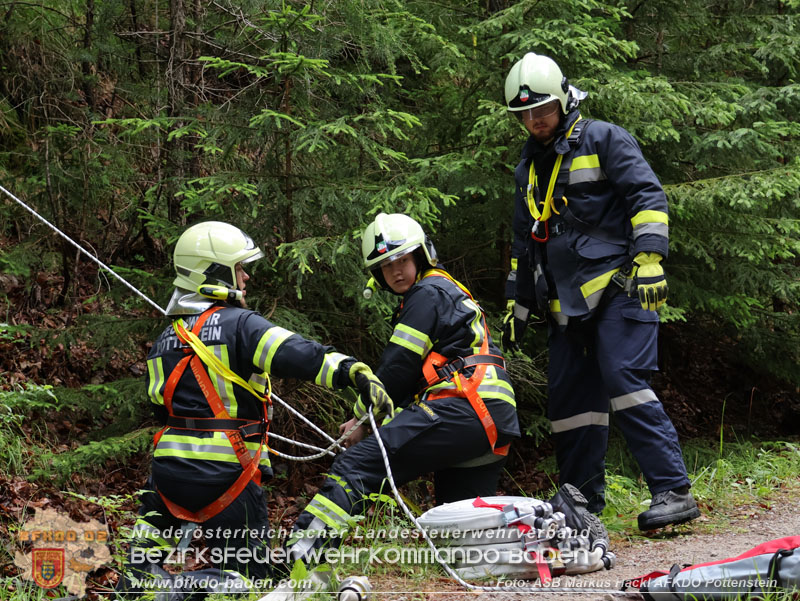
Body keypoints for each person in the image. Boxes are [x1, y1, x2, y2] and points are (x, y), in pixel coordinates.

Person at [121, 221, 392, 592]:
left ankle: (145, 586)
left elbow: (159, 410)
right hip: (228, 476)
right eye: (239, 268)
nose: (245, 277)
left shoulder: (164, 340)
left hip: (166, 475)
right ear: (214, 271)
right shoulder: (240, 324)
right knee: (247, 582)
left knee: (138, 572)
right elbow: (298, 354)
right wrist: (354, 372)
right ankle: (184, 589)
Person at [501, 53, 700, 530]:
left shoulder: (603, 138)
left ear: (565, 99)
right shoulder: (528, 167)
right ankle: (581, 503)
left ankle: (673, 490)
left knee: (623, 379)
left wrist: (650, 257)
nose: (534, 121)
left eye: (542, 110)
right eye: (524, 115)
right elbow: (522, 243)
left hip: (620, 288)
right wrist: (517, 301)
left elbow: (647, 196)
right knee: (569, 402)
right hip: (564, 303)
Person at [284, 212, 520, 563]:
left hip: (464, 407)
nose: (395, 271)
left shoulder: (427, 292)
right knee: (461, 536)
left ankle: (300, 559)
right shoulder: (446, 291)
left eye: (403, 260)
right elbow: (412, 379)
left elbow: (397, 368)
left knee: (355, 467)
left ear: (421, 257)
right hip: (492, 420)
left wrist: (363, 422)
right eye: (385, 266)